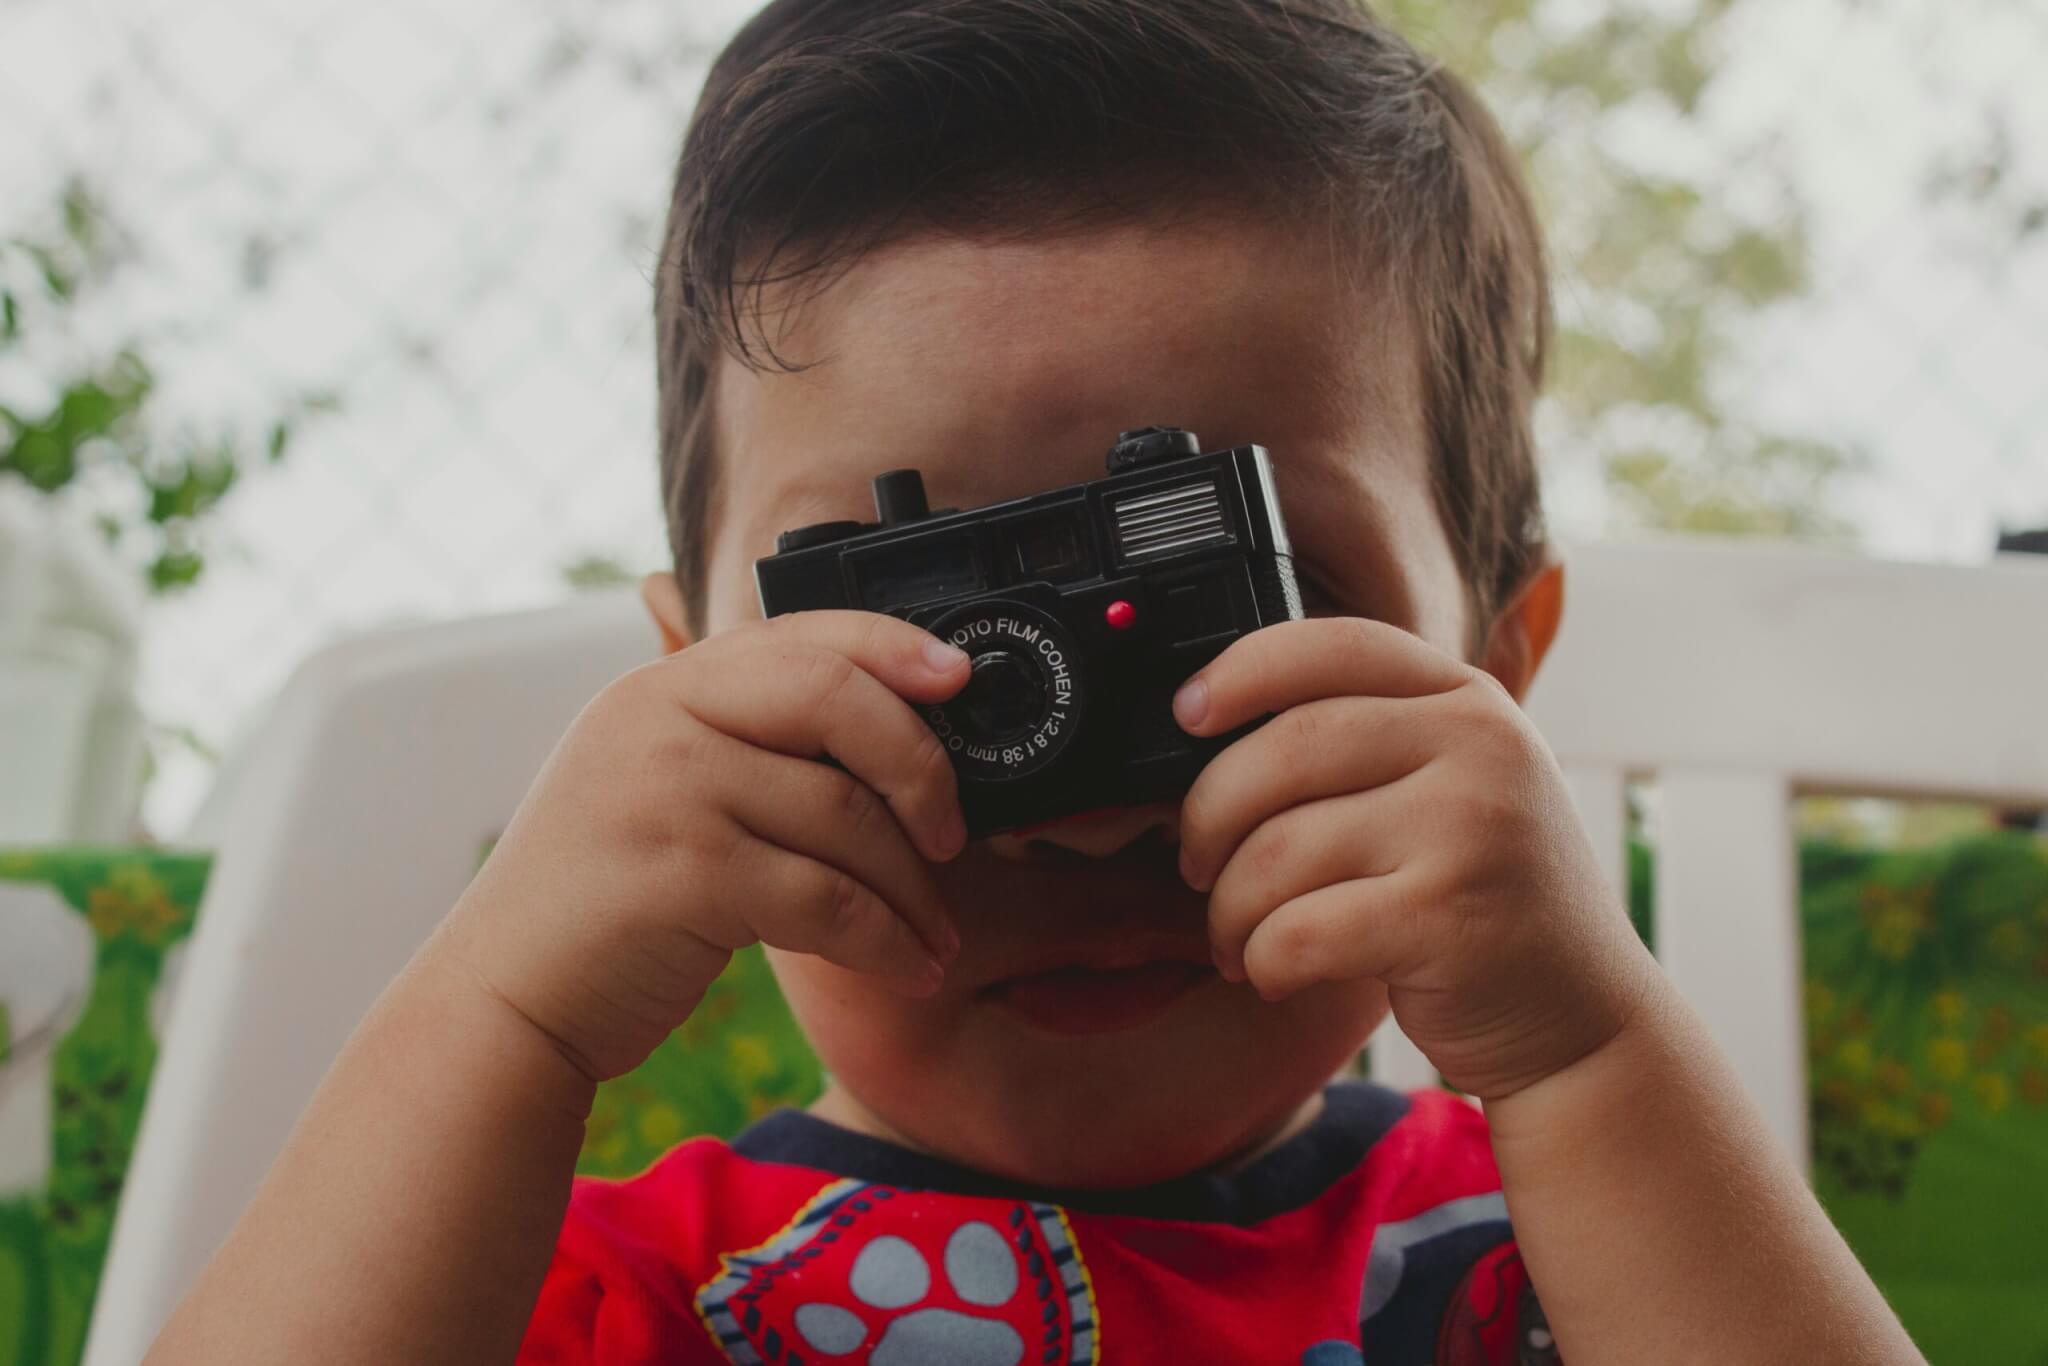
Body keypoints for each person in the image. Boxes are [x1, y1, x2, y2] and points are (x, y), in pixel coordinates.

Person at [146, 2, 1926, 1362]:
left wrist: (1589, 1046)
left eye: (1234, 598)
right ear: (695, 690)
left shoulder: (1577, 1251)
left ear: (1498, 676)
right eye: (927, 638)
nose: (1082, 805)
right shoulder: (616, 1289)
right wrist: (503, 1016)